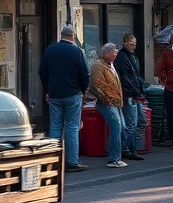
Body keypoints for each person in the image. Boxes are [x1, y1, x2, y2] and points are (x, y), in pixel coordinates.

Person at [38, 25, 91, 173]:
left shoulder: (50, 50)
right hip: (72, 94)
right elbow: (85, 74)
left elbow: (42, 71)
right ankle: (71, 162)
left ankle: (53, 161)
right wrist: (82, 89)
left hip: (54, 94)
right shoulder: (76, 51)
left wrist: (47, 90)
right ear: (72, 36)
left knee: (55, 126)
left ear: (61, 35)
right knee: (72, 127)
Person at [86, 42, 131, 168]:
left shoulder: (110, 64)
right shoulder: (98, 66)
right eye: (114, 52)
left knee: (122, 128)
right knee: (117, 127)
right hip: (107, 102)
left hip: (115, 102)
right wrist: (106, 99)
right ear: (106, 53)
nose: (116, 54)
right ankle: (114, 158)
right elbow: (96, 85)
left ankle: (117, 155)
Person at [115, 33, 146, 161]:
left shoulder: (132, 57)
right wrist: (137, 90)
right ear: (125, 43)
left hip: (134, 93)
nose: (134, 46)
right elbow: (126, 78)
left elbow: (134, 75)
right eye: (131, 44)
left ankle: (133, 148)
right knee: (131, 123)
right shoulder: (123, 57)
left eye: (135, 44)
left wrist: (141, 87)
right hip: (129, 94)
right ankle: (128, 149)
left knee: (140, 121)